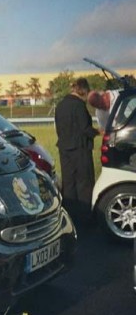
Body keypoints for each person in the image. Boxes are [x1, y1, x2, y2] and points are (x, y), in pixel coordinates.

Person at [55, 78, 100, 225]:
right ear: (84, 90)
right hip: (80, 149)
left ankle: (70, 217)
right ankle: (85, 217)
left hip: (64, 149)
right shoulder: (79, 106)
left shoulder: (60, 106)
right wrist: (99, 131)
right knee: (84, 183)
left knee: (69, 184)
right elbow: (85, 129)